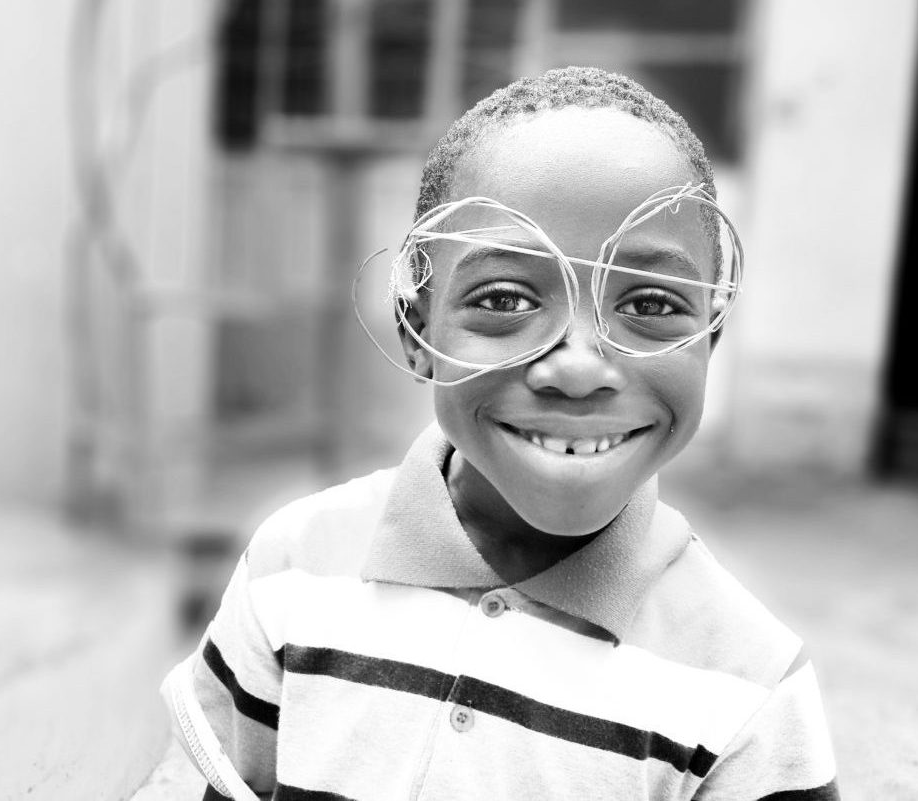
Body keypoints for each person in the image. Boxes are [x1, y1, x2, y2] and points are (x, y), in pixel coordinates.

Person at [161, 66, 840, 800]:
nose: (579, 368)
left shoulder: (748, 688)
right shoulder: (291, 571)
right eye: (506, 297)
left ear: (711, 335)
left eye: (649, 302)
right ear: (417, 329)